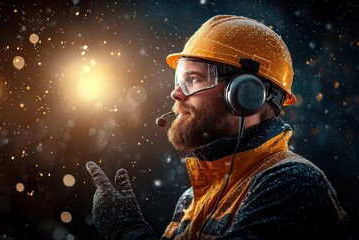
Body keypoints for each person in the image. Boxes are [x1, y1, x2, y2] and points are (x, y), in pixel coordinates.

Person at [86, 15, 348, 239]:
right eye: (179, 79)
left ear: (247, 94)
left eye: (194, 79)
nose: (176, 94)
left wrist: (126, 230)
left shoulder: (292, 185)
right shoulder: (190, 200)